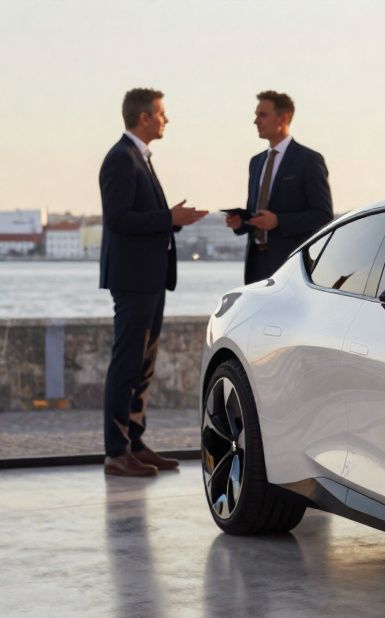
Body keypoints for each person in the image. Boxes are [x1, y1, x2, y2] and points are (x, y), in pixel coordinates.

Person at [99, 88, 207, 477]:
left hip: (150, 278)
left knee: (142, 365)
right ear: (144, 117)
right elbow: (118, 219)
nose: (166, 120)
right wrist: (167, 217)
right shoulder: (120, 159)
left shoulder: (138, 158)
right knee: (127, 363)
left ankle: (134, 444)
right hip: (133, 279)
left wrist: (169, 218)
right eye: (162, 113)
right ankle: (116, 452)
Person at [226, 90, 333, 284]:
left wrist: (279, 221)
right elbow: (256, 214)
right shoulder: (256, 162)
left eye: (262, 115)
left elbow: (323, 216)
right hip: (256, 265)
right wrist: (241, 223)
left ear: (284, 118)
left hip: (290, 265)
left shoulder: (308, 160)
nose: (256, 121)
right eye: (256, 115)